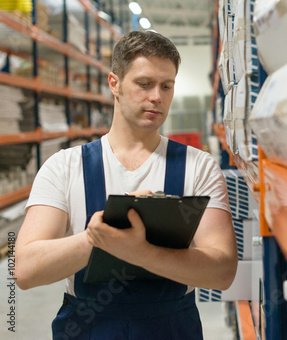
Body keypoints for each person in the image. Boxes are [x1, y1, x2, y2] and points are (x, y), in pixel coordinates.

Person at [15, 30, 238, 339]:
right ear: (114, 84)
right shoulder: (64, 167)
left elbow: (223, 271)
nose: (157, 97)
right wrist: (96, 239)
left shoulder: (198, 167)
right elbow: (25, 270)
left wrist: (141, 251)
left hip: (172, 328)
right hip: (89, 328)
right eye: (144, 84)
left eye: (166, 86)